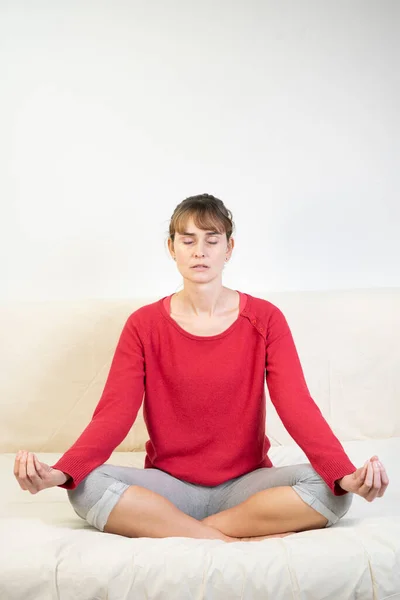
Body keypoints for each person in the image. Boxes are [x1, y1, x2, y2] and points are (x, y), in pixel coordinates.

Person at [14, 194, 389, 543]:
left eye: (212, 240)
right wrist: (64, 472)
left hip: (248, 485)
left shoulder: (266, 319)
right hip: (169, 486)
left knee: (333, 494)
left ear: (229, 248)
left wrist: (343, 474)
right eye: (188, 240)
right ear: (171, 248)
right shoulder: (143, 325)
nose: (200, 252)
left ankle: (189, 532)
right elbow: (114, 414)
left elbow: (296, 405)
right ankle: (219, 540)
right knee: (85, 486)